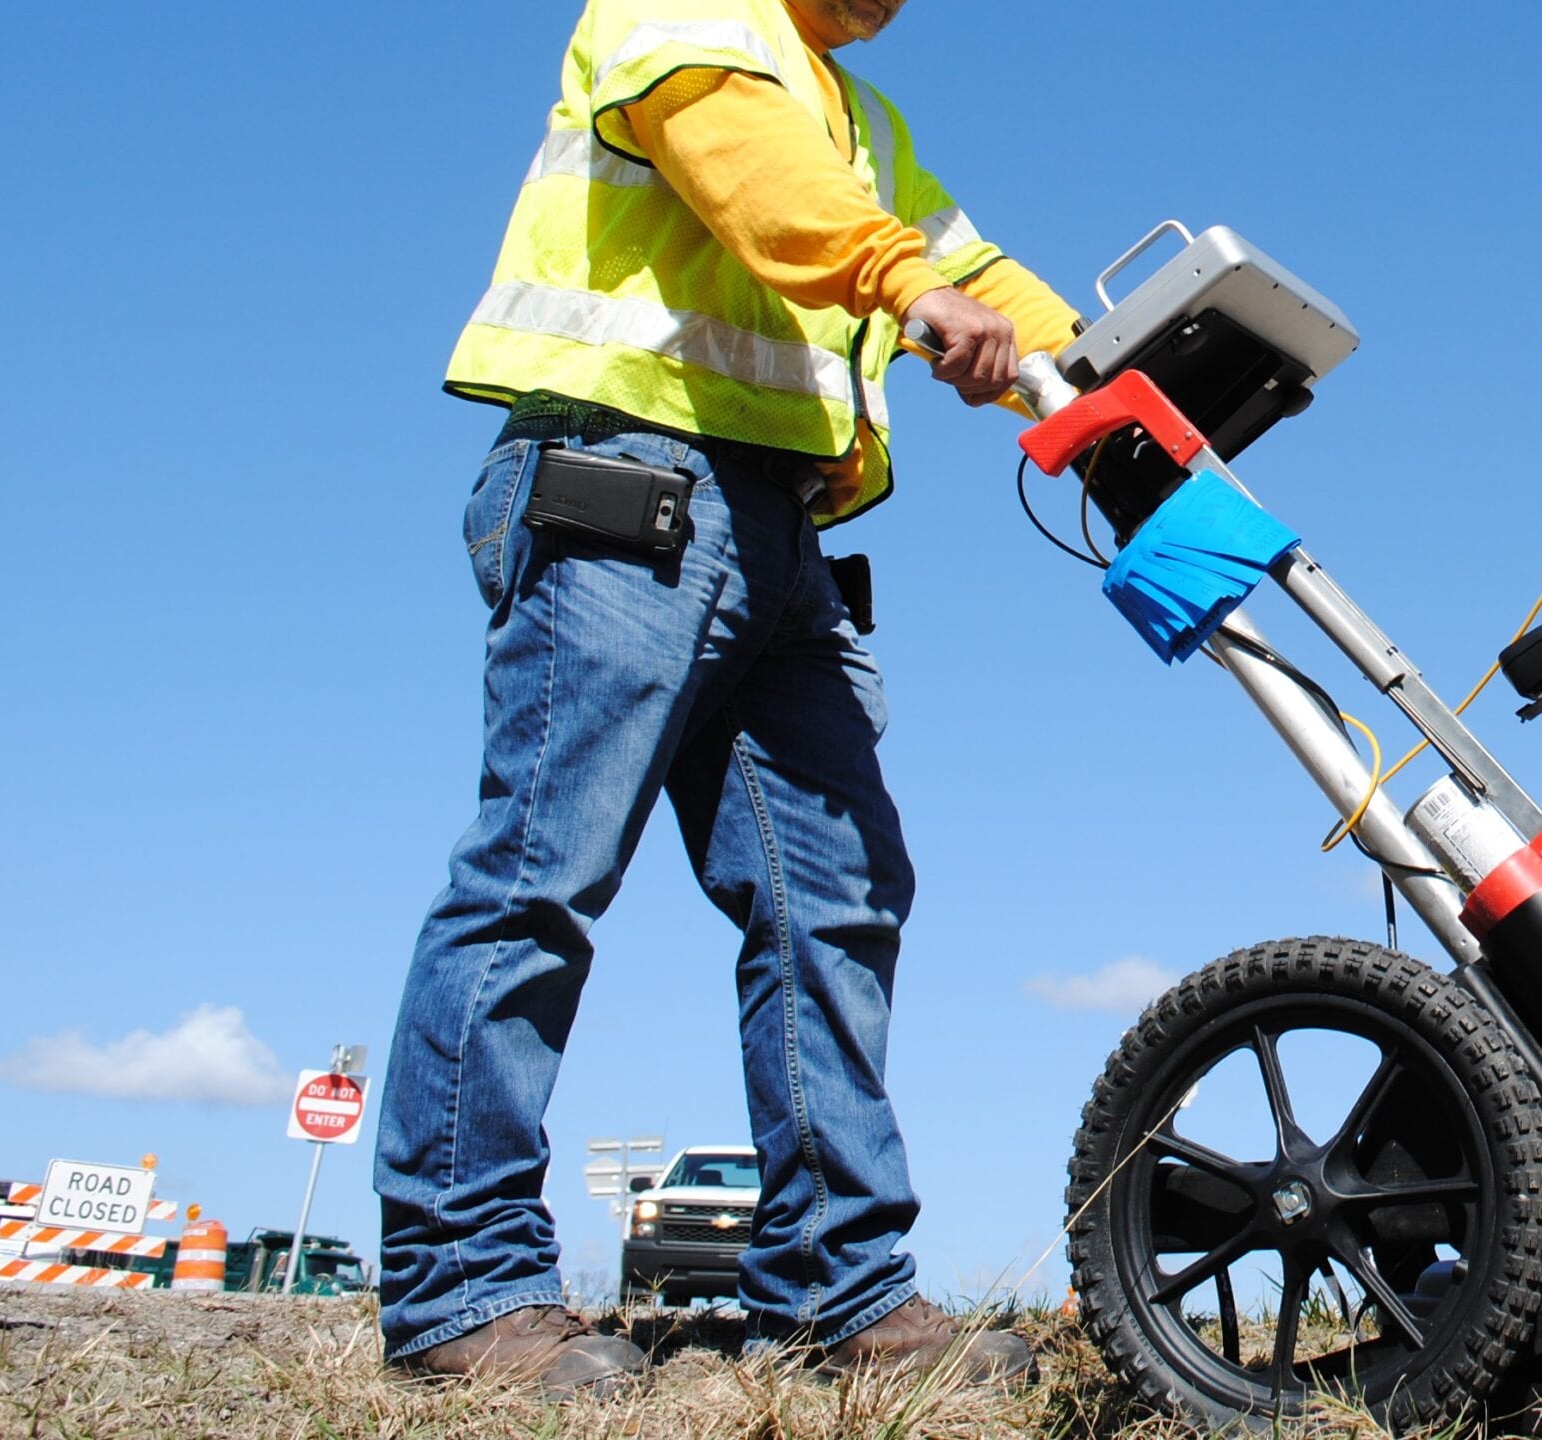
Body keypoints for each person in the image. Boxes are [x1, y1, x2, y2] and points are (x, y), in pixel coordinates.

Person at [371, 0, 1080, 1398]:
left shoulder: (862, 118)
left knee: (837, 892)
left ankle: (836, 1290)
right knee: (536, 876)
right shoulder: (686, 12)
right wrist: (908, 287)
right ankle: (460, 1289)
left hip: (782, 533)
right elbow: (760, 182)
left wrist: (1114, 375)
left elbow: (970, 267)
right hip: (625, 490)